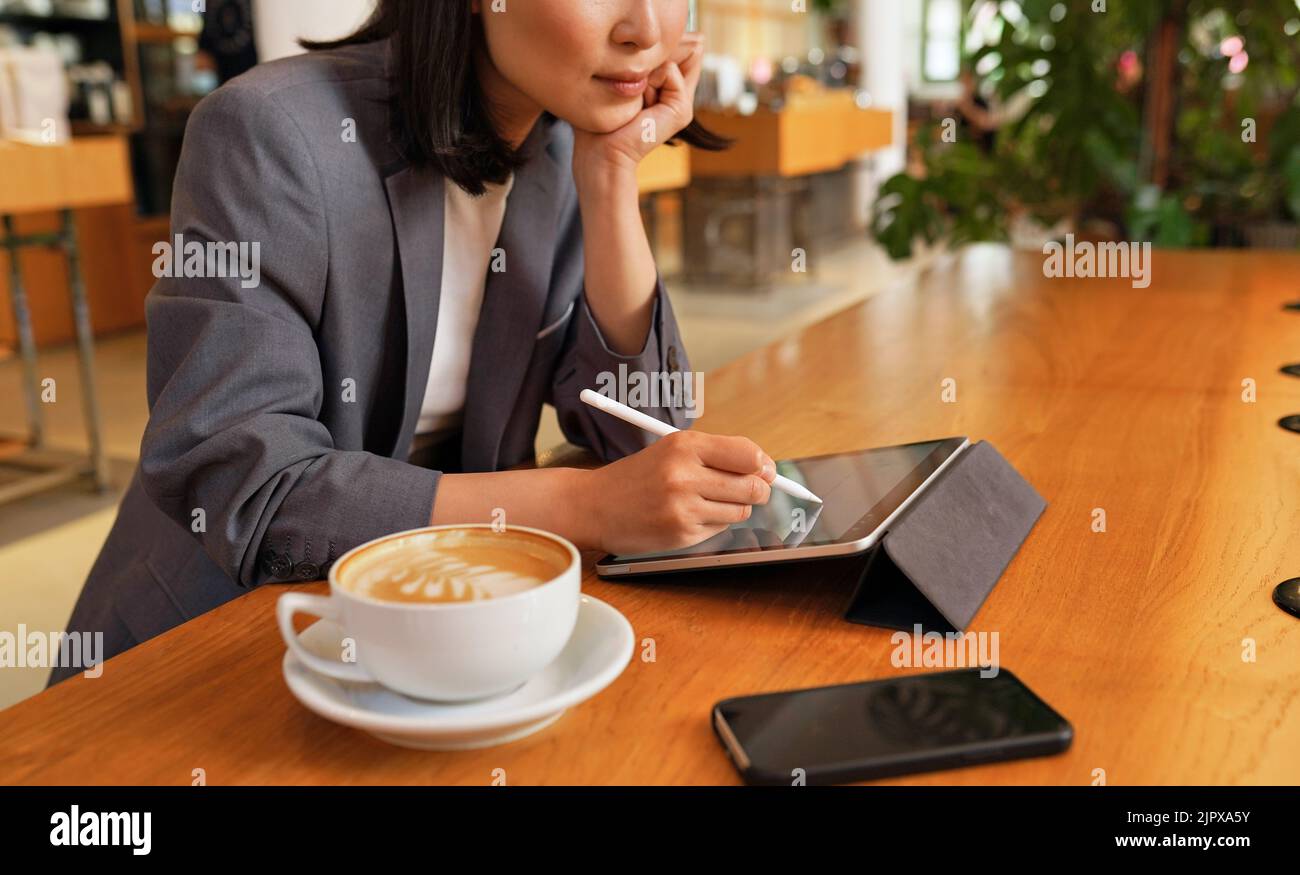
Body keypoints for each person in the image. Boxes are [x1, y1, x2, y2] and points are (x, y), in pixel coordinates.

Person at [49, 0, 778, 685]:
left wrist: (613, 178)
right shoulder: (269, 131)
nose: (645, 29)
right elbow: (251, 490)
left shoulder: (564, 139)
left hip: (435, 638)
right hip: (216, 647)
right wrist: (584, 505)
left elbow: (641, 431)